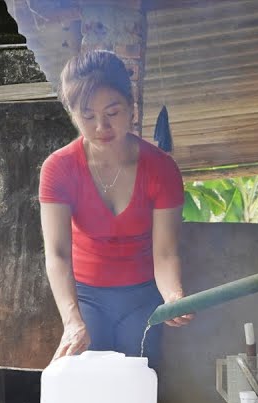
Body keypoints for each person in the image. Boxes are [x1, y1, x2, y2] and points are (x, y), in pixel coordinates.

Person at [40, 49, 193, 365]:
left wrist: (173, 296)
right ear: (72, 114)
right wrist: (72, 320)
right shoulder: (58, 168)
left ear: (131, 107)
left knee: (139, 371)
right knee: (88, 371)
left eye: (112, 112)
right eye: (87, 116)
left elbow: (165, 252)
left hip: (142, 295)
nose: (101, 126)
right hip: (86, 295)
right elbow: (58, 253)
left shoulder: (162, 169)